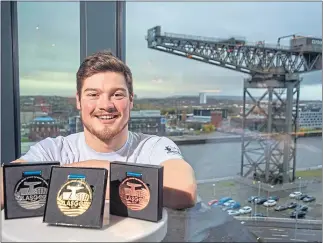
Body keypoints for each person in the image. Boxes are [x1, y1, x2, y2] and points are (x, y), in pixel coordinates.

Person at [0, 50, 197, 210]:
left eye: (117, 94)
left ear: (131, 100)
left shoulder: (154, 147)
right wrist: (135, 183)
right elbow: (5, 185)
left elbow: (184, 190)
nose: (105, 105)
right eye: (93, 94)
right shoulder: (54, 149)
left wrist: (56, 178)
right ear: (78, 101)